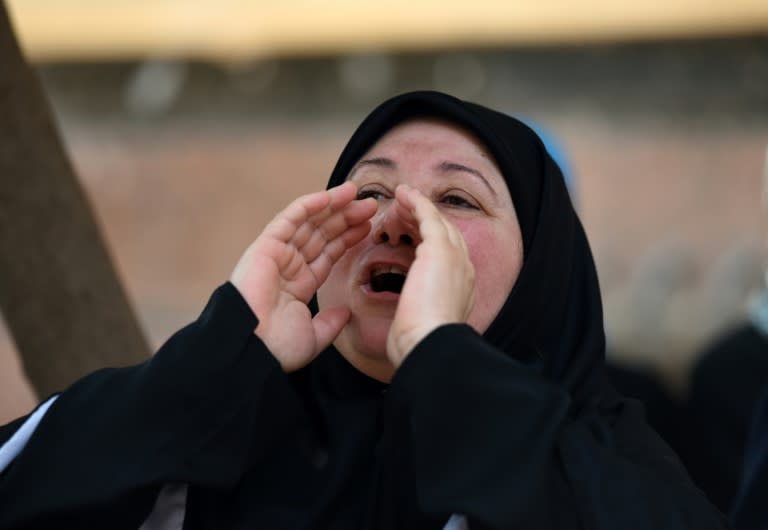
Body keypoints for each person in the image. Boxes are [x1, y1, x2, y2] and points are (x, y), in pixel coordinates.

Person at [0, 91, 727, 529]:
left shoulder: (611, 463)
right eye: (370, 192)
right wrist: (218, 357)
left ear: (544, 272)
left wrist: (445, 361)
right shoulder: (215, 444)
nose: (398, 219)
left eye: (456, 200)